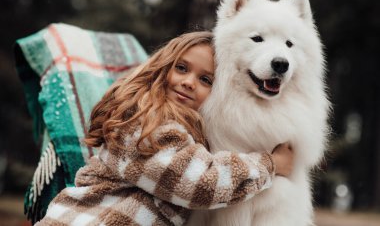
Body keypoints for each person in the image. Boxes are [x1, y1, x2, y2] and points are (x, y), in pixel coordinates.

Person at [35, 31, 294, 226]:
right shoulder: (147, 124)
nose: (189, 82)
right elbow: (200, 185)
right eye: (181, 68)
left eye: (205, 79)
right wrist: (269, 164)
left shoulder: (181, 130)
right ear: (162, 68)